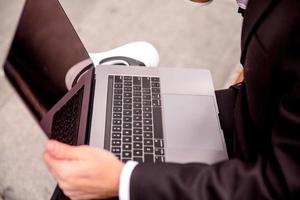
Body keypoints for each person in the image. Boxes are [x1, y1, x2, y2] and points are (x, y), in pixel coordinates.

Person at [44, 0, 300, 199]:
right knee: (103, 135)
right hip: (255, 110)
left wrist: (123, 180)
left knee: (90, 180)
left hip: (259, 171)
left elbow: (279, 186)